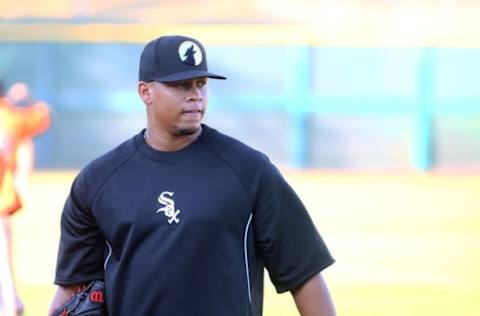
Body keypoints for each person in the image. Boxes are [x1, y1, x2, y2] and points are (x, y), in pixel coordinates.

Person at [49, 35, 336, 316]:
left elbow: (305, 275)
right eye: (180, 85)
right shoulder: (98, 181)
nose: (195, 95)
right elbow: (73, 289)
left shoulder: (249, 170)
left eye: (201, 84)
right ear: (145, 92)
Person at [0, 83, 50, 315]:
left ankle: (10, 305)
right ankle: (12, 303)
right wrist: (22, 99)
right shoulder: (9, 116)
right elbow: (42, 115)